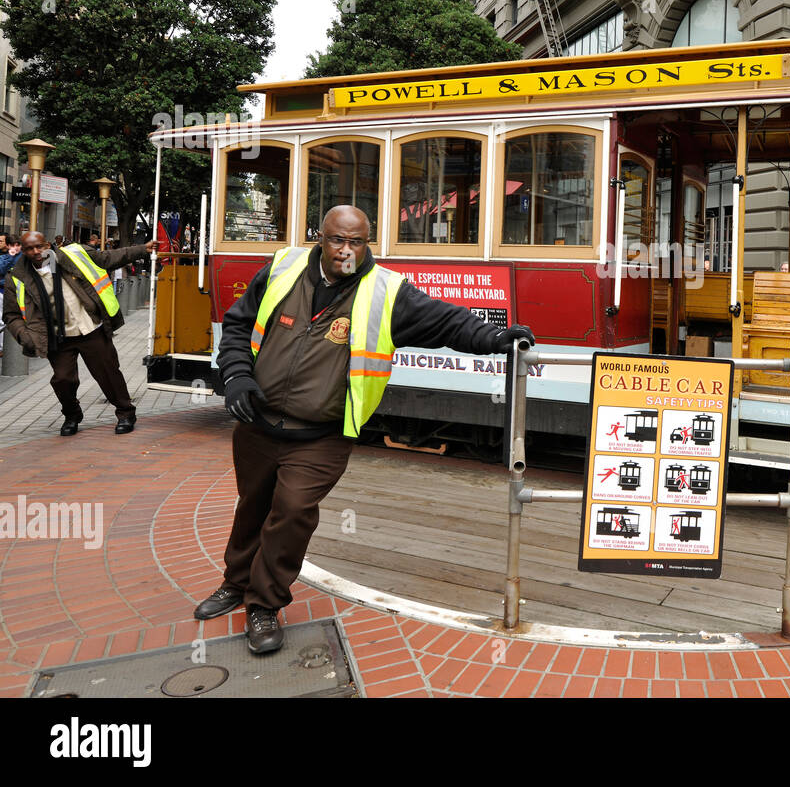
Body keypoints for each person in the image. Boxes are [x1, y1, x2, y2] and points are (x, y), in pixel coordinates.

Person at [193, 205, 533, 654]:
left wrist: (495, 339)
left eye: (357, 242)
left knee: (291, 511)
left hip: (322, 435)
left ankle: (264, 604)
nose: (346, 251)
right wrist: (236, 375)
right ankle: (235, 584)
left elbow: (446, 320)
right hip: (257, 423)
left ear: (367, 241)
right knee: (252, 505)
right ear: (320, 237)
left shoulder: (386, 292)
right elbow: (237, 325)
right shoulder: (282, 267)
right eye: (338, 240)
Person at [1, 231, 159, 435]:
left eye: (39, 246)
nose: (36, 252)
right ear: (23, 250)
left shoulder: (72, 255)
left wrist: (141, 249)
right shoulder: (17, 276)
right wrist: (25, 336)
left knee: (108, 373)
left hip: (90, 327)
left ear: (47, 245)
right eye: (30, 249)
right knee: (63, 380)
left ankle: (126, 413)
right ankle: (72, 415)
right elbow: (11, 315)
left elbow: (108, 258)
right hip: (57, 336)